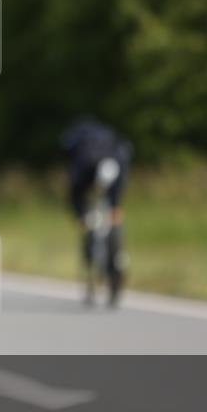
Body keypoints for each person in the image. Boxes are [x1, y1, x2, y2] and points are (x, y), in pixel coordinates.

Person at [60, 118, 132, 306]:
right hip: (116, 165)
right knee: (113, 210)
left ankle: (95, 237)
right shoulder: (110, 144)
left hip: (95, 169)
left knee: (86, 209)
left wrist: (80, 214)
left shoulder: (80, 147)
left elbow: (75, 191)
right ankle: (115, 254)